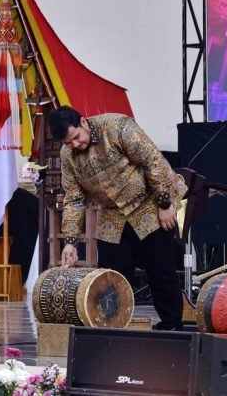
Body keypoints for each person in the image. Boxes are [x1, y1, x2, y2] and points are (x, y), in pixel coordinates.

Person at [48, 106, 187, 331]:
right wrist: (70, 242)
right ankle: (112, 327)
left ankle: (172, 326)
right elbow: (74, 198)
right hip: (112, 215)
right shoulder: (68, 155)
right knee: (112, 276)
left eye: (76, 138)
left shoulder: (117, 126)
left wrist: (164, 203)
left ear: (83, 122)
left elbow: (152, 161)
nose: (74, 145)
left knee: (161, 270)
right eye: (67, 143)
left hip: (149, 204)